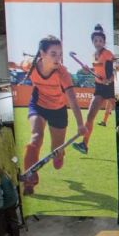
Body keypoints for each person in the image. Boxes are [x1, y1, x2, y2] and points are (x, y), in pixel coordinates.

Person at [20, 36, 87, 195]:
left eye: (60, 54)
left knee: (56, 153)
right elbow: (18, 64)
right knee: (36, 137)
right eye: (53, 54)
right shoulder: (31, 66)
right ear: (42, 53)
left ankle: (59, 154)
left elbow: (72, 100)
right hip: (38, 106)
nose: (58, 58)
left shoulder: (62, 72)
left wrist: (80, 124)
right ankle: (29, 182)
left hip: (58, 110)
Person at [73, 25, 115, 155]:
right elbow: (96, 71)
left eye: (100, 41)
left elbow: (112, 71)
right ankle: (84, 144)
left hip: (110, 87)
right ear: (93, 42)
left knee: (117, 112)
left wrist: (108, 80)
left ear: (104, 42)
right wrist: (88, 70)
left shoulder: (108, 54)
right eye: (96, 41)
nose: (98, 43)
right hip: (99, 87)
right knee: (90, 116)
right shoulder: (93, 55)